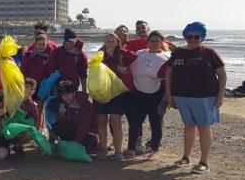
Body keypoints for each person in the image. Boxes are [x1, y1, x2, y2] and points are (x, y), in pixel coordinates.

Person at [164, 22, 226, 174]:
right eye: (189, 36)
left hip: (204, 97)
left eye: (196, 36)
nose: (192, 39)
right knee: (188, 126)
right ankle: (186, 157)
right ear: (185, 37)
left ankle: (204, 162)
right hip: (181, 97)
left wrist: (220, 96)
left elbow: (222, 74)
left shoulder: (209, 52)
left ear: (202, 37)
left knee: (203, 127)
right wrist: (169, 95)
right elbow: (169, 74)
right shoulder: (178, 52)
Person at [92, 33, 136, 162]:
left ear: (117, 42)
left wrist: (126, 70)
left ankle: (118, 152)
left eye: (112, 41)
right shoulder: (100, 54)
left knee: (115, 121)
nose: (110, 43)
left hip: (117, 92)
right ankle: (103, 150)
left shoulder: (123, 53)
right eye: (107, 41)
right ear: (104, 42)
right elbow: (93, 69)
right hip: (101, 92)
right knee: (101, 121)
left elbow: (136, 62)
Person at [129, 31, 171, 161]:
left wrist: (166, 98)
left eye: (157, 41)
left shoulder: (166, 58)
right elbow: (128, 69)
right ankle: (131, 149)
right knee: (135, 122)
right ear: (148, 42)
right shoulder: (139, 54)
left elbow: (170, 79)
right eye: (151, 40)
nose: (153, 43)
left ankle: (154, 150)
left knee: (156, 123)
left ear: (161, 42)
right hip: (138, 92)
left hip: (157, 93)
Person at [0, 77, 40, 160]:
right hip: (4, 134)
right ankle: (6, 146)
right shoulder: (10, 99)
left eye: (31, 89)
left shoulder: (33, 106)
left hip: (18, 135)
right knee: (1, 156)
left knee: (31, 132)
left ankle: (16, 145)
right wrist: (10, 105)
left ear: (34, 91)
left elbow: (33, 126)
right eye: (26, 87)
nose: (28, 90)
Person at [50, 80, 99, 154]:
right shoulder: (64, 103)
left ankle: (95, 142)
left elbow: (84, 125)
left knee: (84, 150)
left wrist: (75, 143)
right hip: (74, 128)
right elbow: (61, 122)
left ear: (74, 92)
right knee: (56, 127)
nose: (66, 97)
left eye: (68, 93)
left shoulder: (85, 103)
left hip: (89, 131)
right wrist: (61, 113)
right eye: (63, 94)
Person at [20, 34, 51, 131]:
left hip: (40, 89)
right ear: (35, 44)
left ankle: (37, 133)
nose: (41, 47)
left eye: (43, 45)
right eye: (39, 44)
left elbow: (49, 72)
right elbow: (23, 69)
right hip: (28, 88)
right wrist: (32, 57)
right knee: (25, 110)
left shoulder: (47, 57)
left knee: (39, 111)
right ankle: (24, 133)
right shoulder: (28, 55)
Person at [47, 29, 88, 93]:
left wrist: (84, 90)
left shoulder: (81, 54)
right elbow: (51, 71)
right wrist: (54, 88)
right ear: (65, 40)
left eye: (74, 40)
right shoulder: (57, 52)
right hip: (58, 88)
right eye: (70, 40)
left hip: (73, 88)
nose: (72, 42)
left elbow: (83, 73)